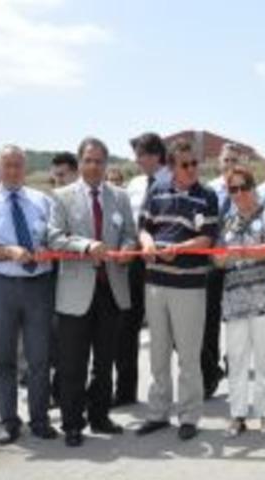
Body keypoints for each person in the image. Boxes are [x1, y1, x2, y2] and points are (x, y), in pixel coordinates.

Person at [47, 137, 137, 447]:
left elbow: (130, 234)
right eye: (88, 160)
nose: (94, 166)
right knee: (73, 364)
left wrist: (126, 250)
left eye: (99, 161)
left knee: (104, 362)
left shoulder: (120, 197)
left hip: (111, 290)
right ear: (80, 162)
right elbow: (54, 237)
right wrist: (86, 246)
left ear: (106, 163)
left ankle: (100, 416)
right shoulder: (61, 196)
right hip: (75, 293)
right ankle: (73, 423)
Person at [135, 138, 218, 441]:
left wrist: (179, 249)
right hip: (156, 284)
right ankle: (158, 413)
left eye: (195, 163)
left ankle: (189, 416)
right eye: (185, 164)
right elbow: (144, 227)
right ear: (171, 167)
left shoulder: (207, 195)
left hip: (189, 286)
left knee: (188, 356)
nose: (192, 168)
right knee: (158, 354)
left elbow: (207, 238)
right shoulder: (156, 191)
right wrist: (147, 244)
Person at [0, 145, 58, 445]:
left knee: (39, 358)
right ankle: (9, 421)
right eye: (8, 165)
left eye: (18, 165)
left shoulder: (42, 201)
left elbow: (57, 238)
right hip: (0, 286)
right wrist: (7, 251)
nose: (13, 171)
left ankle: (39, 419)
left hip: (39, 285)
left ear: (25, 168)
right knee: (3, 359)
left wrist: (47, 249)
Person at [213, 165, 265, 437]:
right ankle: (237, 415)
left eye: (244, 187)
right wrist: (223, 257)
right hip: (234, 301)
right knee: (236, 361)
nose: (239, 193)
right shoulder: (227, 220)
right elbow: (217, 257)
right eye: (233, 189)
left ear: (253, 188)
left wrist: (243, 252)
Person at [116, 132, 170, 408]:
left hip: (166, 261)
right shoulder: (135, 185)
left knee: (172, 330)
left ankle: (203, 377)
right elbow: (128, 222)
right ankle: (125, 391)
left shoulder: (174, 180)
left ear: (155, 155)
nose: (136, 161)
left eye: (140, 155)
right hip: (135, 263)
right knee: (127, 326)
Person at [202, 144, 241, 398]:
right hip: (212, 262)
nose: (229, 164)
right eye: (226, 160)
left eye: (234, 160)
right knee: (210, 318)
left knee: (237, 317)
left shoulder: (247, 188)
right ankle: (210, 371)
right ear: (219, 162)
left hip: (239, 262)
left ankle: (235, 362)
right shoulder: (209, 190)